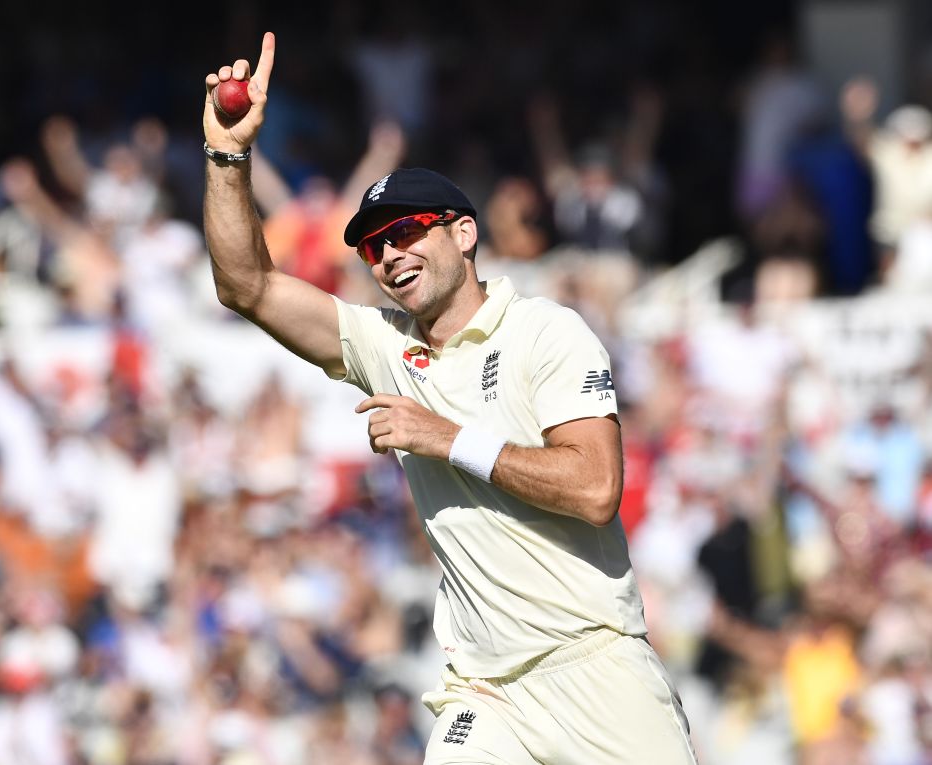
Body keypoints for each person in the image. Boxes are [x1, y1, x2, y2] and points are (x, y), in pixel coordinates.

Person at [202, 33, 696, 764]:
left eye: (404, 231)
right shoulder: (383, 343)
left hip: (594, 665)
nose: (389, 255)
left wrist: (446, 434)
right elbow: (247, 286)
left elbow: (595, 488)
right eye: (372, 248)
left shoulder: (545, 331)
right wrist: (227, 155)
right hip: (484, 689)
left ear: (464, 233)